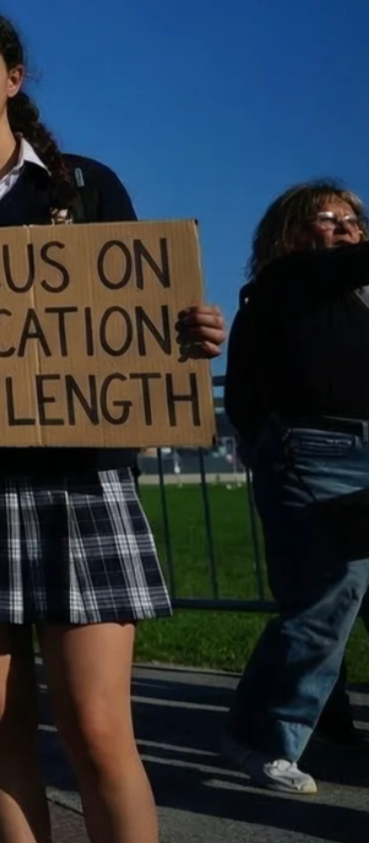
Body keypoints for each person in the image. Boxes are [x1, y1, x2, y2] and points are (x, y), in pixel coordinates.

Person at [0, 6, 226, 843]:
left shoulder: (86, 187)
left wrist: (189, 336)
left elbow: (139, 321)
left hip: (81, 479)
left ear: (12, 78)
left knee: (99, 734)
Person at [220, 182, 369, 793]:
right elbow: (249, 397)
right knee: (326, 595)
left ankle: (326, 718)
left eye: (349, 220)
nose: (336, 228)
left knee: (340, 595)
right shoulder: (288, 283)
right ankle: (261, 737)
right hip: (316, 453)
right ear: (289, 233)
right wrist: (272, 450)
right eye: (321, 219)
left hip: (351, 448)